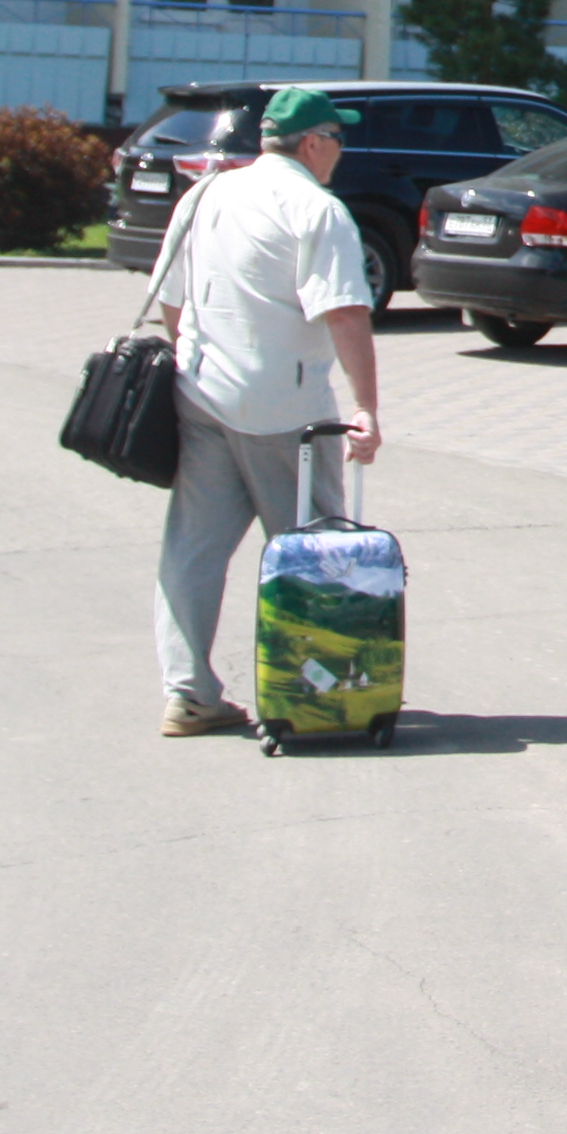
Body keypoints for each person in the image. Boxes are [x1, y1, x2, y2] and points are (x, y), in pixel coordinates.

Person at [148, 85, 383, 735]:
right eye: (337, 139)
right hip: (289, 413)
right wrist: (366, 407)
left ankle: (188, 692)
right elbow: (345, 312)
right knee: (315, 553)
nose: (340, 151)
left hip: (202, 396)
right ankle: (318, 693)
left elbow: (172, 298)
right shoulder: (317, 210)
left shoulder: (205, 194)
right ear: (313, 144)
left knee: (193, 548)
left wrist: (196, 360)